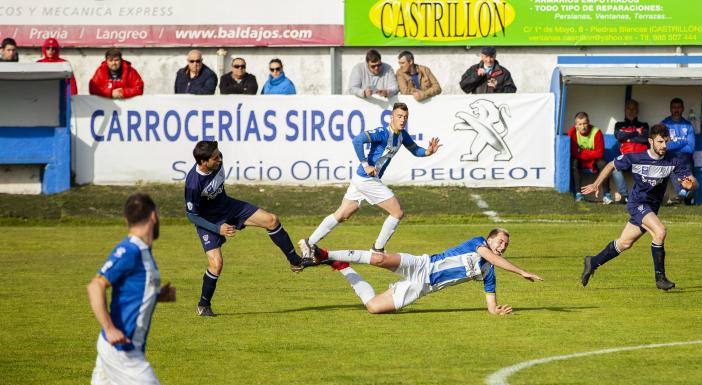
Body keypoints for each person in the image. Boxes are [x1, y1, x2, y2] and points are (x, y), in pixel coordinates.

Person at [44, 193, 175, 385]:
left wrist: (158, 296)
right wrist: (110, 327)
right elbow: (95, 286)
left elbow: (130, 293)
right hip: (123, 348)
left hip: (113, 346)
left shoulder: (140, 250)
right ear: (153, 217)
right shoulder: (130, 250)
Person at [185, 141, 313, 316]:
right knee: (216, 264)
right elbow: (192, 215)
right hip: (209, 221)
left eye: (219, 154)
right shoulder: (193, 184)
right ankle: (203, 305)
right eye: (215, 158)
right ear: (203, 162)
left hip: (229, 207)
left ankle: (295, 261)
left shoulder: (217, 162)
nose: (220, 160)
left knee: (271, 220)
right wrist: (218, 228)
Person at [298, 103, 441, 258]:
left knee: (343, 214)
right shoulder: (382, 133)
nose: (402, 120)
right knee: (397, 212)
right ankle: (377, 248)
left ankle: (308, 242)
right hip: (367, 179)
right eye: (399, 116)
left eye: (405, 117)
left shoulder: (402, 135)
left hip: (363, 179)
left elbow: (415, 150)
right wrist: (366, 164)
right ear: (391, 117)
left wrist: (428, 152)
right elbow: (357, 140)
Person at [313, 228, 542, 314]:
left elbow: (490, 305)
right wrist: (521, 272)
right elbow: (490, 256)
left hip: (423, 286)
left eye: (506, 245)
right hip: (423, 264)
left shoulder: (489, 272)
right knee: (380, 258)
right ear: (490, 239)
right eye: (500, 242)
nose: (502, 247)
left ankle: (342, 266)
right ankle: (325, 253)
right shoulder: (478, 243)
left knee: (372, 307)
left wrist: (497, 311)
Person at [580, 124, 697, 291]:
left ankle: (593, 261)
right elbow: (611, 164)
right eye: (660, 142)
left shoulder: (673, 160)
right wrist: (596, 184)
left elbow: (689, 181)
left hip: (652, 208)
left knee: (625, 243)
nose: (664, 146)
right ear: (651, 141)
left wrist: (689, 185)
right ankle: (660, 278)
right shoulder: (635, 158)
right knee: (660, 232)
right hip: (637, 204)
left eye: (666, 142)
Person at [568, 112, 616, 204]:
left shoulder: (596, 132)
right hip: (580, 161)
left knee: (603, 164)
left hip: (594, 161)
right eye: (580, 124)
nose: (583, 126)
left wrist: (581, 152)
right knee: (574, 162)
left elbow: (599, 154)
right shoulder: (572, 132)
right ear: (576, 125)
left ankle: (607, 195)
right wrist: (589, 153)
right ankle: (578, 194)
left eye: (585, 123)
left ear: (588, 122)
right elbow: (573, 153)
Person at [662, 97, 696, 205]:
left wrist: (673, 144)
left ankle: (682, 193)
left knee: (684, 160)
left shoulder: (688, 125)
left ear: (683, 109)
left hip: (685, 157)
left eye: (679, 107)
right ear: (670, 109)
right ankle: (686, 194)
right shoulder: (664, 124)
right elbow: (664, 146)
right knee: (672, 163)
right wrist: (683, 142)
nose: (676, 110)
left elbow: (691, 148)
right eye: (674, 107)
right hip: (669, 157)